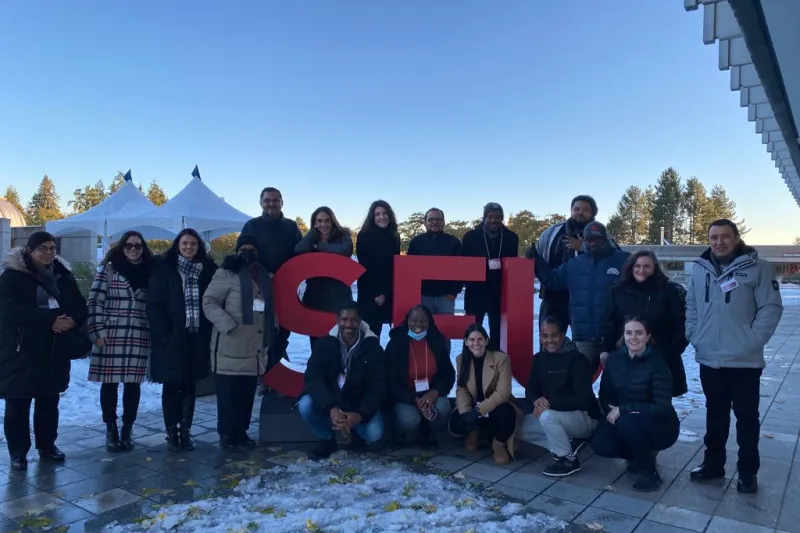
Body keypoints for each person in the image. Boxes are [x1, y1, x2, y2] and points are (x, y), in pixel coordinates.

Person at [686, 219, 783, 494]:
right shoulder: (700, 268)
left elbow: (771, 308)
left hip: (744, 361)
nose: (719, 242)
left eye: (725, 236)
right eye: (714, 237)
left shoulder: (758, 268)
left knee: (746, 417)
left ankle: (748, 472)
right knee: (715, 415)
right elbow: (691, 304)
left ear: (737, 237)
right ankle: (713, 464)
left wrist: (751, 341)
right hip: (709, 358)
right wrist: (694, 334)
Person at [0, 231, 88, 470]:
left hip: (54, 350)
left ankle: (47, 446)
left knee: (49, 401)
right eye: (43, 248)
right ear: (30, 250)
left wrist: (73, 320)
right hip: (21, 350)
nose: (49, 253)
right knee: (18, 403)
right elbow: (8, 311)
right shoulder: (12, 276)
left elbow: (79, 304)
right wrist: (50, 320)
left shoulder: (62, 274)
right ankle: (18, 452)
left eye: (52, 248)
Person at [147, 229, 218, 452]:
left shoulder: (207, 269)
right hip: (171, 336)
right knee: (171, 384)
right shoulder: (164, 268)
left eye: (193, 244)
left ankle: (185, 430)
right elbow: (154, 304)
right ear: (178, 245)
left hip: (196, 335)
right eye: (185, 243)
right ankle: (171, 431)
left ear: (199, 246)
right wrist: (164, 334)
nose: (189, 247)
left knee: (190, 384)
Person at [203, 234, 275, 450]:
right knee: (228, 396)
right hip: (230, 344)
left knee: (246, 396)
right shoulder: (226, 273)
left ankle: (241, 433)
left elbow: (268, 305)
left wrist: (274, 325)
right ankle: (227, 435)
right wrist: (227, 324)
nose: (248, 253)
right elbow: (209, 302)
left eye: (252, 250)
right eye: (243, 249)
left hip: (254, 347)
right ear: (236, 251)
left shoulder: (263, 275)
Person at [590, 318, 679, 492]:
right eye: (628, 333)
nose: (633, 337)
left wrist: (624, 410)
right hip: (622, 419)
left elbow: (662, 405)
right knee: (600, 443)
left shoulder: (658, 363)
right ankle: (637, 457)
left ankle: (649, 472)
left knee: (629, 423)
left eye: (639, 333)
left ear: (648, 337)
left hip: (659, 423)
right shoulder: (614, 360)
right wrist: (611, 412)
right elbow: (605, 394)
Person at [529, 221, 629, 373]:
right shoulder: (574, 265)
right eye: (589, 240)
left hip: (618, 335)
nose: (592, 243)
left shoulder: (623, 260)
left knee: (618, 379)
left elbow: (642, 277)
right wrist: (536, 259)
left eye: (597, 240)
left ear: (605, 239)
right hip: (584, 336)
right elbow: (552, 280)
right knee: (580, 378)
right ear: (583, 240)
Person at [87, 230, 153, 452]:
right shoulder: (108, 270)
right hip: (111, 334)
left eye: (138, 246)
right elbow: (94, 302)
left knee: (133, 385)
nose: (133, 249)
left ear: (143, 249)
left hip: (138, 333)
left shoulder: (150, 272)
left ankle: (127, 428)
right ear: (121, 247)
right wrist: (97, 330)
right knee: (110, 384)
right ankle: (111, 428)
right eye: (129, 245)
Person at [298, 302, 386, 458]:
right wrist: (330, 407)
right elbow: (313, 378)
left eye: (353, 320)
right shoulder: (324, 344)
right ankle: (327, 438)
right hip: (332, 400)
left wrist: (360, 415)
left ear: (360, 322)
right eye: (344, 319)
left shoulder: (373, 349)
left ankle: (356, 432)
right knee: (305, 405)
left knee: (375, 433)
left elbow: (378, 386)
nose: (348, 324)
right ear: (337, 320)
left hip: (357, 403)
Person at [600, 250, 688, 396]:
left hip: (660, 355)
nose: (641, 270)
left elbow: (680, 323)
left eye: (647, 266)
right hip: (625, 354)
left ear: (654, 268)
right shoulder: (618, 290)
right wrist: (605, 348)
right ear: (631, 267)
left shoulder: (669, 291)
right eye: (637, 266)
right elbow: (608, 322)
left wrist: (673, 349)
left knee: (658, 398)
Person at [522, 317, 601, 477]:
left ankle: (567, 459)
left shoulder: (577, 359)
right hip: (555, 413)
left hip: (585, 417)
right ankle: (565, 444)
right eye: (545, 336)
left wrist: (549, 404)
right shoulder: (539, 359)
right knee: (520, 428)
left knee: (547, 416)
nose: (549, 340)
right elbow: (530, 391)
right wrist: (537, 400)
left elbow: (583, 398)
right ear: (540, 336)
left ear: (563, 335)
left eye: (554, 335)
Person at [528, 195, 617, 327]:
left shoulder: (603, 235)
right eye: (576, 209)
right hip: (554, 297)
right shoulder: (552, 232)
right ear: (571, 210)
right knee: (550, 335)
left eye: (586, 210)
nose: (580, 212)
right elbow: (540, 255)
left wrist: (583, 248)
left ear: (593, 214)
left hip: (588, 300)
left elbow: (613, 258)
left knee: (583, 338)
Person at [240, 187, 303, 371]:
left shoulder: (291, 227)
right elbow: (243, 254)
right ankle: (263, 372)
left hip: (286, 289)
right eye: (267, 200)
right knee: (261, 330)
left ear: (282, 202)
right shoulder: (251, 226)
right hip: (259, 288)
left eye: (275, 200)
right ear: (261, 203)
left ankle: (275, 371)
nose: (271, 204)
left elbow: (299, 255)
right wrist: (263, 273)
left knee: (282, 331)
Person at [385, 305, 454, 448]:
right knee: (409, 419)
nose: (418, 324)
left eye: (423, 321)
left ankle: (429, 432)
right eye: (414, 320)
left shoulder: (437, 341)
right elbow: (391, 381)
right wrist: (414, 399)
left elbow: (449, 374)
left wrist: (434, 393)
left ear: (429, 322)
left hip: (430, 394)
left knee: (443, 406)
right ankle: (399, 434)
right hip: (405, 397)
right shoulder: (396, 344)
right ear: (407, 321)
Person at [450, 324, 520, 464]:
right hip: (474, 404)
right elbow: (462, 389)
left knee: (505, 413)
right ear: (466, 342)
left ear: (487, 341)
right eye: (472, 340)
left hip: (495, 405)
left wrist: (477, 411)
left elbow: (502, 394)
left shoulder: (501, 359)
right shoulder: (461, 359)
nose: (476, 344)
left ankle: (499, 443)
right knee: (456, 422)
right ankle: (474, 430)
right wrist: (466, 413)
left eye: (480, 339)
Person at [295, 206, 354, 350]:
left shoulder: (343, 237)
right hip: (315, 298)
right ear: (314, 223)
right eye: (319, 221)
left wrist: (318, 247)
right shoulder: (311, 238)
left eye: (327, 220)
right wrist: (312, 234)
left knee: (339, 343)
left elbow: (344, 251)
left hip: (339, 297)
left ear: (333, 221)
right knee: (317, 344)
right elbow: (298, 250)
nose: (323, 224)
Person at [461, 202, 519, 350]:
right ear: (484, 217)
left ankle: (495, 361)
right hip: (476, 291)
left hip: (499, 292)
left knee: (498, 332)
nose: (494, 220)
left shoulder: (511, 237)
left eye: (498, 217)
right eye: (490, 216)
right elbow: (464, 265)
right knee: (472, 331)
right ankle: (469, 361)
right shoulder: (470, 237)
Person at [356, 200, 401, 337]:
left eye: (385, 213)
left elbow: (394, 266)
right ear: (372, 217)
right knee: (371, 336)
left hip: (390, 292)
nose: (382, 217)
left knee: (397, 335)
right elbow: (365, 267)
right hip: (371, 293)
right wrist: (378, 293)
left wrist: (389, 292)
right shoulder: (364, 236)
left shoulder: (394, 236)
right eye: (377, 214)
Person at [407, 208, 463, 315]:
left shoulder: (454, 242)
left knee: (445, 325)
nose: (435, 222)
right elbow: (409, 268)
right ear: (425, 222)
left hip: (446, 296)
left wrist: (454, 292)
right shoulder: (416, 242)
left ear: (444, 222)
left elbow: (460, 269)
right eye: (431, 219)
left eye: (438, 219)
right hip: (422, 295)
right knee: (422, 324)